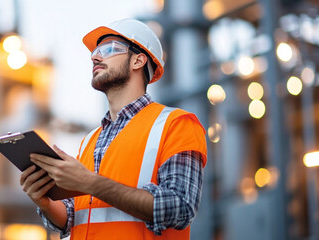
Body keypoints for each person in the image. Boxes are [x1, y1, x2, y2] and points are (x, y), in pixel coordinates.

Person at [20, 18, 207, 240]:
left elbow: (180, 207)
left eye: (108, 49)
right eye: (95, 52)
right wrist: (45, 202)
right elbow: (74, 217)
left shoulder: (176, 124)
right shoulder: (90, 139)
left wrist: (89, 182)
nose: (95, 57)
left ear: (138, 60)